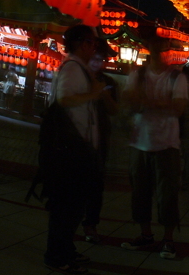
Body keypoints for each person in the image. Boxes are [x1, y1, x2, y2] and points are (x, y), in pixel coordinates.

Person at [42, 24, 109, 274]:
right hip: (70, 149)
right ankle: (55, 255)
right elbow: (64, 99)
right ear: (82, 44)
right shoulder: (71, 67)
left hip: (78, 148)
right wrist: (93, 93)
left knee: (74, 206)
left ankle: (66, 250)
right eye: (92, 43)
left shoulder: (80, 68)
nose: (94, 48)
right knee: (66, 206)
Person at [120, 34, 188, 260]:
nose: (161, 53)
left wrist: (147, 102)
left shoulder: (177, 78)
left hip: (167, 144)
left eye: (164, 49)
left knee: (167, 194)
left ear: (169, 52)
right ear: (150, 50)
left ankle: (168, 239)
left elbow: (178, 108)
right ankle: (146, 234)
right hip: (140, 142)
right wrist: (160, 103)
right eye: (156, 49)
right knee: (140, 191)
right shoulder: (138, 75)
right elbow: (128, 100)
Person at [82, 39, 118, 244]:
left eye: (102, 59)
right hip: (78, 135)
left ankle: (91, 224)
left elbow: (115, 111)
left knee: (96, 183)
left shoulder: (108, 82)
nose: (98, 63)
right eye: (95, 58)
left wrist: (105, 96)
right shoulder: (78, 77)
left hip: (100, 136)